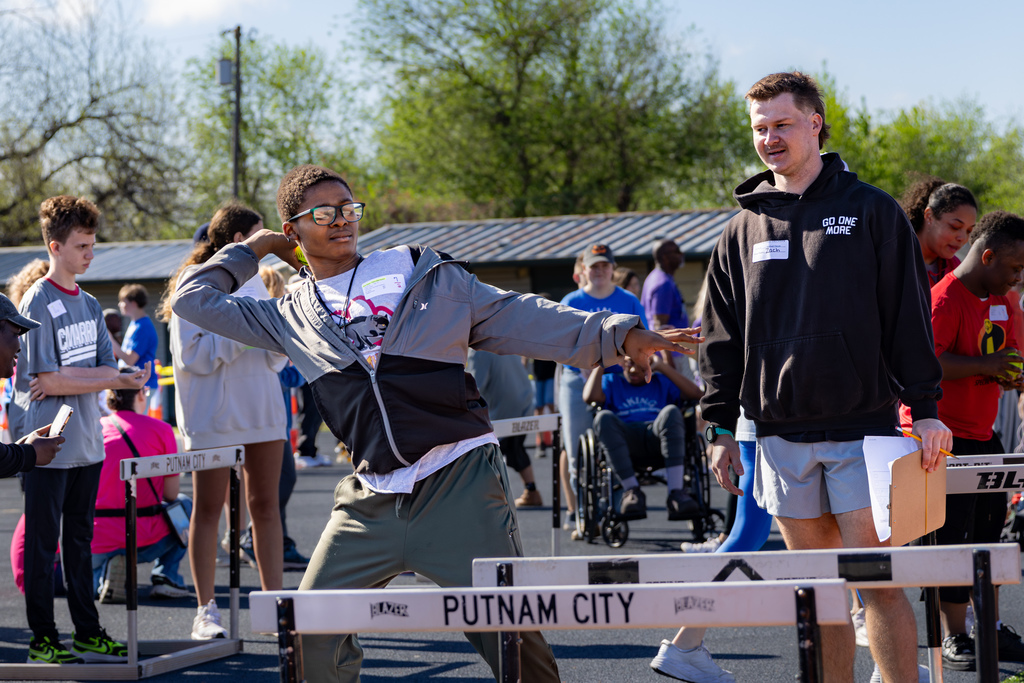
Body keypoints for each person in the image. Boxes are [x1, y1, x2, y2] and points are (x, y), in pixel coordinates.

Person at [170, 163, 700, 682]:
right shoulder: (287, 314)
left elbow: (520, 313)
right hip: (370, 499)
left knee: (513, 640)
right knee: (309, 632)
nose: (342, 220)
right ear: (294, 230)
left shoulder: (420, 270)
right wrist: (256, 246)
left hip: (459, 482)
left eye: (349, 208)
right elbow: (190, 299)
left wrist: (618, 334)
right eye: (324, 213)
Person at [699, 72, 950, 683]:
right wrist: (718, 427)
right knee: (819, 594)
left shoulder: (871, 210)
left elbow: (908, 316)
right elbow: (719, 338)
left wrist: (926, 406)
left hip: (863, 429)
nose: (770, 138)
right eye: (759, 128)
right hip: (778, 435)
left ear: (815, 123)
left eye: (782, 124)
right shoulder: (740, 228)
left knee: (876, 586)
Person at [11, 195, 150, 664]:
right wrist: (109, 379)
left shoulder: (91, 303)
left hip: (88, 442)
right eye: (82, 245)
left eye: (93, 244)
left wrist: (101, 376)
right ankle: (42, 638)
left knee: (79, 541)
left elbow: (101, 366)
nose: (90, 253)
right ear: (56, 247)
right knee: (43, 543)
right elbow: (49, 379)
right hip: (46, 447)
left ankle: (87, 631)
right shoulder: (38, 300)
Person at [159, 200, 288, 640]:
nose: (268, 242)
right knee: (209, 509)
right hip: (211, 415)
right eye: (260, 234)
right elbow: (191, 357)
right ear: (238, 240)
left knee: (266, 508)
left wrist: (283, 328)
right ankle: (206, 610)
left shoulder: (259, 286)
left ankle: (274, 608)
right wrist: (242, 338)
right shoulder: (191, 284)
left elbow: (274, 353)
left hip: (262, 409)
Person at [925, 210, 1024, 670]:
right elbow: (926, 366)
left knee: (990, 534)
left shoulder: (1006, 300)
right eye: (1015, 269)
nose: (1019, 278)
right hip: (940, 438)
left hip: (985, 435)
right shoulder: (944, 300)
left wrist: (1013, 374)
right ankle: (954, 634)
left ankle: (990, 625)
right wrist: (987, 366)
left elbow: (1013, 356)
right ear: (986, 257)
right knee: (952, 537)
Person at [558, 244, 647, 538]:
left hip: (616, 380)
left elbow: (642, 340)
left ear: (612, 268)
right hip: (577, 378)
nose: (599, 271)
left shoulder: (628, 300)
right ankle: (585, 514)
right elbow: (558, 344)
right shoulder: (571, 300)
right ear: (583, 269)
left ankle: (611, 506)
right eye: (593, 266)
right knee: (575, 450)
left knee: (613, 446)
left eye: (604, 266)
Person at [92, 367, 191, 603]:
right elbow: (171, 493)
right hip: (142, 534)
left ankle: (102, 576)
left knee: (89, 578)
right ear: (139, 394)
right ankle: (165, 575)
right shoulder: (162, 430)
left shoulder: (95, 429)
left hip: (95, 534)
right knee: (184, 503)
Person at [583, 354, 702, 519]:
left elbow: (697, 394)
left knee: (671, 412)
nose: (633, 370)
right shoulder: (612, 381)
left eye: (640, 365)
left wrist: (662, 366)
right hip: (626, 441)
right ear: (622, 363)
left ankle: (676, 493)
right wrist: (602, 364)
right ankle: (632, 492)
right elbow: (589, 398)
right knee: (602, 417)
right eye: (629, 363)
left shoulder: (661, 381)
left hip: (657, 439)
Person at [466, 348, 542, 507]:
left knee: (494, 453)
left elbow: (474, 386)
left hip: (504, 409)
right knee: (515, 449)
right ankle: (531, 491)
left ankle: (496, 499)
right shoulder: (501, 341)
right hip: (523, 401)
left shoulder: (478, 351)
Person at [900, 177, 978, 287]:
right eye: (955, 227)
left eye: (969, 231)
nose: (962, 238)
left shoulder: (956, 269)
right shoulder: (895, 257)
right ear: (929, 216)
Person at [110, 284, 162, 417]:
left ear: (133, 303)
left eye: (123, 301)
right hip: (134, 383)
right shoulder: (136, 324)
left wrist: (109, 338)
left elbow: (130, 359)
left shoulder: (142, 326)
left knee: (136, 424)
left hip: (141, 384)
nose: (120, 304)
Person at [641, 238, 688, 331]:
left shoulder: (655, 276)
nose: (681, 254)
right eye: (677, 251)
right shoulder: (663, 284)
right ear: (665, 257)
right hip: (669, 344)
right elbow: (659, 326)